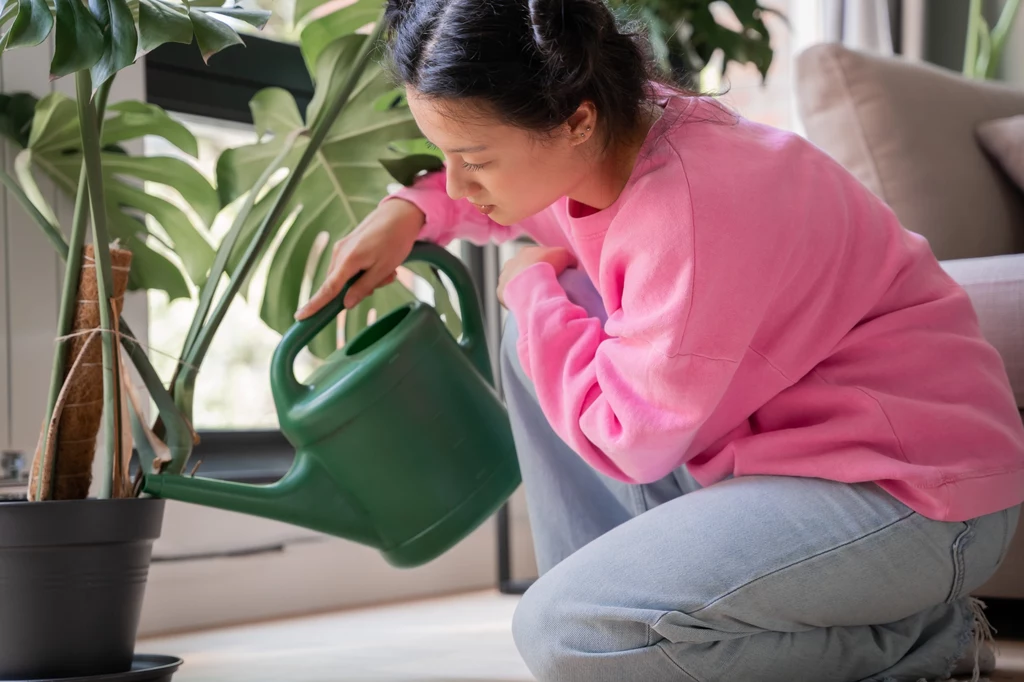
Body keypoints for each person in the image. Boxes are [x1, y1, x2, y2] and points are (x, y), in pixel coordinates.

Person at [294, 0, 1024, 679]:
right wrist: (410, 211)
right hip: (794, 459)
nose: (456, 185)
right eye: (443, 156)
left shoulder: (694, 209)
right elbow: (533, 205)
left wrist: (524, 286)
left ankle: (927, 640)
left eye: (473, 159)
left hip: (913, 498)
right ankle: (613, 610)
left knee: (567, 634)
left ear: (574, 119)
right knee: (557, 313)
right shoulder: (619, 131)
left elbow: (623, 439)